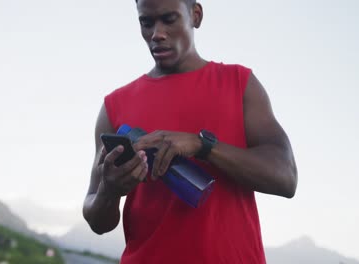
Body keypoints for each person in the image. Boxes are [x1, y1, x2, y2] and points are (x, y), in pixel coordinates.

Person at [83, 0, 298, 263]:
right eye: (146, 22)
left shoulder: (239, 84)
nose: (156, 34)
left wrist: (203, 146)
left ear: (195, 15)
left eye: (169, 19)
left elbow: (286, 178)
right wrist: (109, 190)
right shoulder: (114, 106)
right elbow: (97, 220)